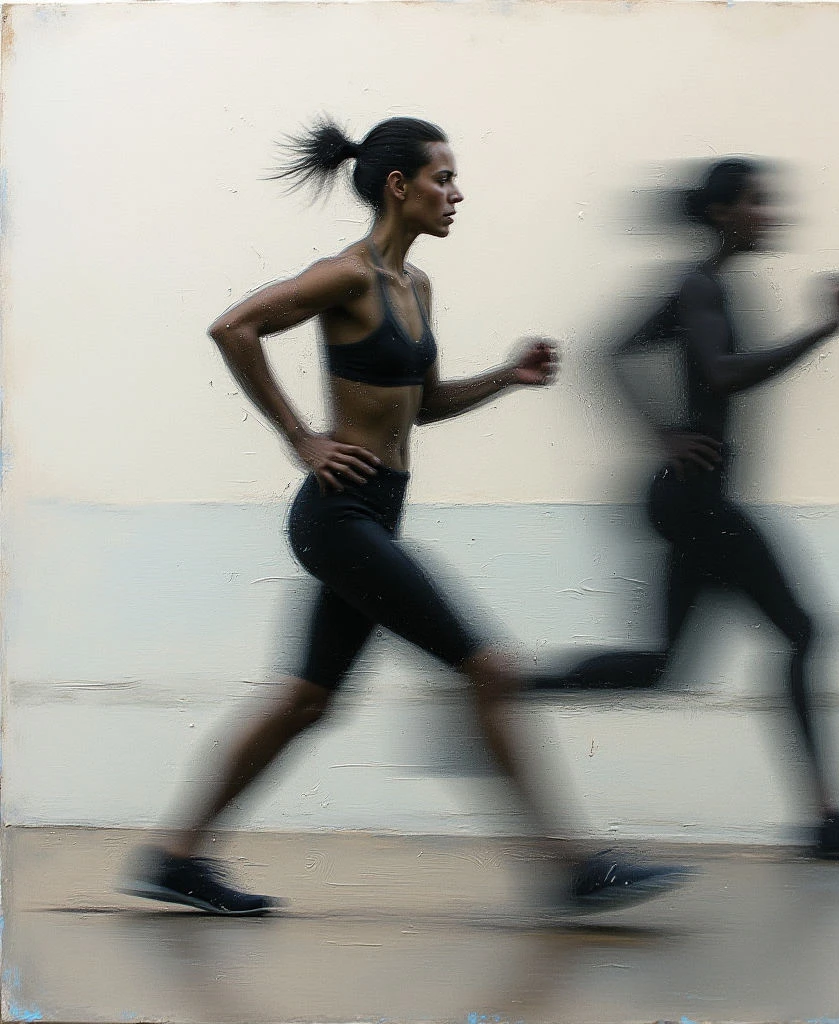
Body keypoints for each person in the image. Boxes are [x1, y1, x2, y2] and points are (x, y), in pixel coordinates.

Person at [121, 115, 689, 915]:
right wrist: (301, 438)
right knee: (489, 668)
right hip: (338, 514)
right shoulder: (345, 275)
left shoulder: (414, 287)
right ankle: (570, 866)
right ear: (400, 187)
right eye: (443, 179)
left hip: (374, 515)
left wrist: (505, 376)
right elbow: (233, 326)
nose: (456, 194)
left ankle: (173, 857)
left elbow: (419, 407)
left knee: (306, 699)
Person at [532, 157, 839, 859]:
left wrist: (661, 428)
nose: (769, 212)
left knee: (663, 668)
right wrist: (819, 331)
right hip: (698, 502)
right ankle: (829, 820)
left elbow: (614, 353)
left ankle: (506, 685)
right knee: (804, 631)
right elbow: (721, 373)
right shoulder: (701, 284)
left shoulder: (702, 285)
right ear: (722, 212)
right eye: (756, 201)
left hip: (691, 500)